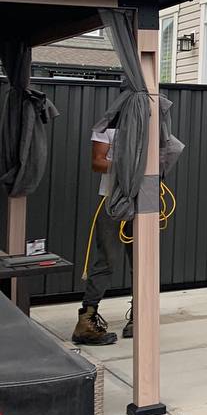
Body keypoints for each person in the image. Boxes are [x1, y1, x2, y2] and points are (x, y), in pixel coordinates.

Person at [71, 125, 133, 346]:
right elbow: (97, 162)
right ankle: (86, 321)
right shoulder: (107, 126)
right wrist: (127, 167)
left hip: (143, 201)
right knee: (107, 259)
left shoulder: (152, 126)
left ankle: (140, 316)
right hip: (112, 202)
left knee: (142, 262)